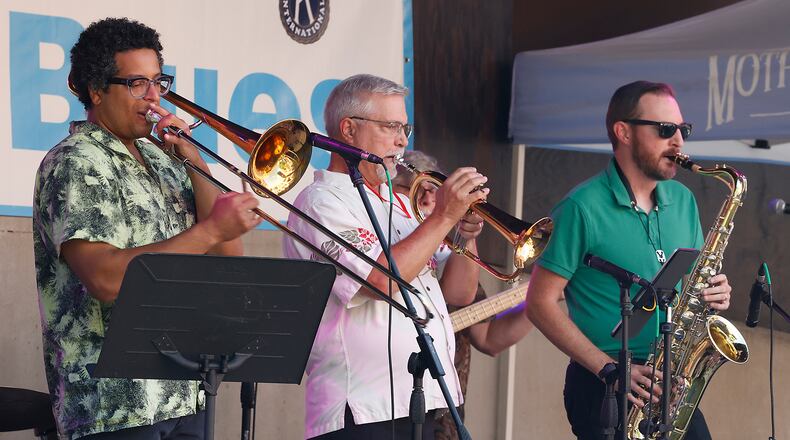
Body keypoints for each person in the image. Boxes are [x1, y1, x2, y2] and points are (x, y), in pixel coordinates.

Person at [33, 18, 261, 440]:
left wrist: (196, 163)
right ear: (97, 90)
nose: (155, 97)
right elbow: (104, 278)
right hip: (113, 403)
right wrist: (211, 231)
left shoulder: (163, 160)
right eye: (137, 83)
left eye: (158, 81)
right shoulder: (76, 161)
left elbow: (229, 259)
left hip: (184, 389)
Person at [282, 74, 487, 439]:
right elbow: (379, 281)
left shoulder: (399, 205)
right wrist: (444, 216)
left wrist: (463, 235)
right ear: (348, 129)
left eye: (404, 127)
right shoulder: (320, 203)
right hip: (362, 410)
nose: (402, 140)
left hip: (425, 403)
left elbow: (458, 294)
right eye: (391, 126)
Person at [524, 81, 731, 440]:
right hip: (605, 385)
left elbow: (692, 283)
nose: (679, 141)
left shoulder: (682, 200)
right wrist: (610, 369)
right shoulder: (581, 207)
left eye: (684, 129)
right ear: (624, 132)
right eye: (666, 130)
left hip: (670, 381)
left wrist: (714, 293)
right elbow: (539, 303)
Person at [392, 150, 534, 440]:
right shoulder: (390, 240)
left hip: (444, 410)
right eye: (416, 191)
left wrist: (540, 301)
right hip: (390, 401)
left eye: (435, 192)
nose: (429, 201)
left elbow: (485, 333)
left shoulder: (448, 251)